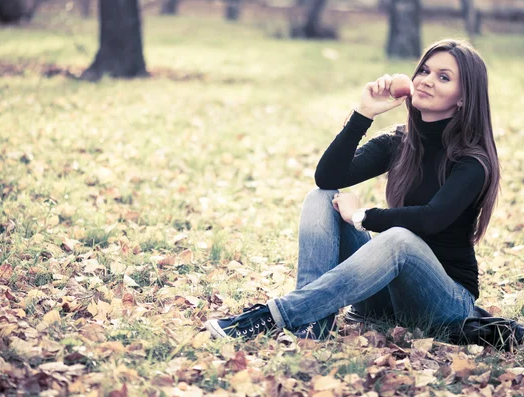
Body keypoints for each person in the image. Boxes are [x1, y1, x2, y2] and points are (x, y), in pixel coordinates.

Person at [205, 38, 500, 341]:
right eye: (424, 71)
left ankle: (273, 316)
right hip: (385, 299)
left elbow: (430, 220)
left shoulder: (472, 161)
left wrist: (362, 216)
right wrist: (364, 113)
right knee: (321, 198)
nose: (426, 81)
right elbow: (327, 176)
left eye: (443, 77)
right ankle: (314, 324)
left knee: (399, 239)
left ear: (463, 97)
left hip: (444, 302)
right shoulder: (400, 142)